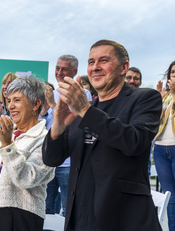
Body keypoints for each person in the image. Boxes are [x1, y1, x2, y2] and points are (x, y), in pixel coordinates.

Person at [42, 39, 162, 231]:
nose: (95, 67)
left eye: (103, 60)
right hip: (79, 220)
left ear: (124, 67)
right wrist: (57, 127)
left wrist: (85, 110)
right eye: (91, 62)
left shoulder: (145, 98)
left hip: (123, 220)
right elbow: (51, 159)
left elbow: (134, 141)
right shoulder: (80, 112)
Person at [0, 76, 54, 231]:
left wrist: (7, 145)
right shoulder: (2, 134)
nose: (11, 106)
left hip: (22, 217)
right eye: (9, 100)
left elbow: (26, 179)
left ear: (36, 104)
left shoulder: (46, 139)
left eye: (17, 100)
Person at [44, 55, 92, 217]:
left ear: (75, 71)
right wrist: (45, 109)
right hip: (49, 162)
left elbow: (77, 124)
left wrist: (51, 105)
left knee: (68, 209)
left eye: (64, 69)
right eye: (57, 68)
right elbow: (42, 124)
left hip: (69, 163)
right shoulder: (51, 93)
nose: (59, 72)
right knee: (46, 208)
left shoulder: (83, 94)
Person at [154, 61, 175, 231]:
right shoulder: (166, 95)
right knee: (170, 196)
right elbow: (156, 120)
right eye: (173, 72)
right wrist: (159, 99)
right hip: (160, 148)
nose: (174, 75)